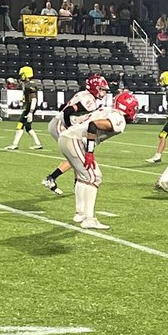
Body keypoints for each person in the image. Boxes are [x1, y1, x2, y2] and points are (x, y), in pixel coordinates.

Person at [58, 90, 138, 230]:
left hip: (67, 137)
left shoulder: (107, 110)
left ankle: (80, 213)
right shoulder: (118, 118)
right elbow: (93, 125)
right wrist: (89, 151)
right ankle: (89, 218)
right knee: (94, 177)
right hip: (74, 140)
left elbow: (79, 120)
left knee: (84, 177)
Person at [40, 74, 109, 195]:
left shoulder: (85, 95)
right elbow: (67, 111)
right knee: (77, 155)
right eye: (101, 89)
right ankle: (52, 178)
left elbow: (65, 107)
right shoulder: (89, 100)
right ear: (94, 88)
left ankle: (75, 183)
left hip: (58, 123)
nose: (103, 92)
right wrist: (70, 127)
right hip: (60, 125)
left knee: (76, 155)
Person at [5, 66, 43, 151]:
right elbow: (19, 85)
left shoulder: (30, 85)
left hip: (30, 108)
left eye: (22, 74)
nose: (21, 76)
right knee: (27, 127)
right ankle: (38, 144)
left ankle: (15, 144)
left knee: (20, 125)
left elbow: (34, 99)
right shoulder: (27, 84)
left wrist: (30, 112)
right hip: (29, 108)